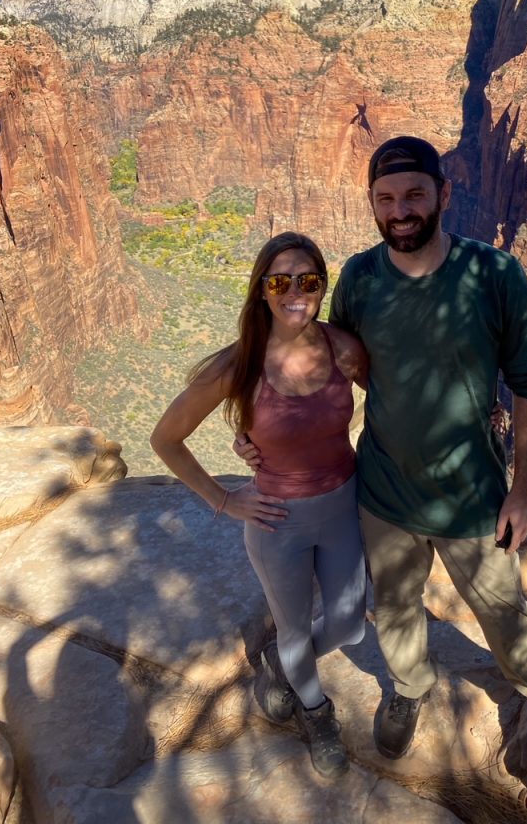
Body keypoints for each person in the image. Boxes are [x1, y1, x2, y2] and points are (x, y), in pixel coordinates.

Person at [237, 137, 527, 789]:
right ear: (371, 204)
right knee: (394, 607)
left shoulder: (494, 274)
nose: (401, 210)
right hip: (385, 492)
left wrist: (524, 490)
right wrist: (256, 432)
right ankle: (409, 688)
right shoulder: (362, 278)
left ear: (443, 195)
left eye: (415, 194)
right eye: (386, 199)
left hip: (473, 495)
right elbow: (328, 365)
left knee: (504, 612)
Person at [151, 231, 368, 780]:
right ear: (261, 292)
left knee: (347, 624)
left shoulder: (342, 348)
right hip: (278, 522)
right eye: (280, 281)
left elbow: (387, 400)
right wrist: (223, 499)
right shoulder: (237, 366)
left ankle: (277, 664)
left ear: (322, 285)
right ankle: (316, 712)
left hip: (342, 505)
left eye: (308, 280)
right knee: (295, 628)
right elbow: (166, 439)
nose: (295, 291)